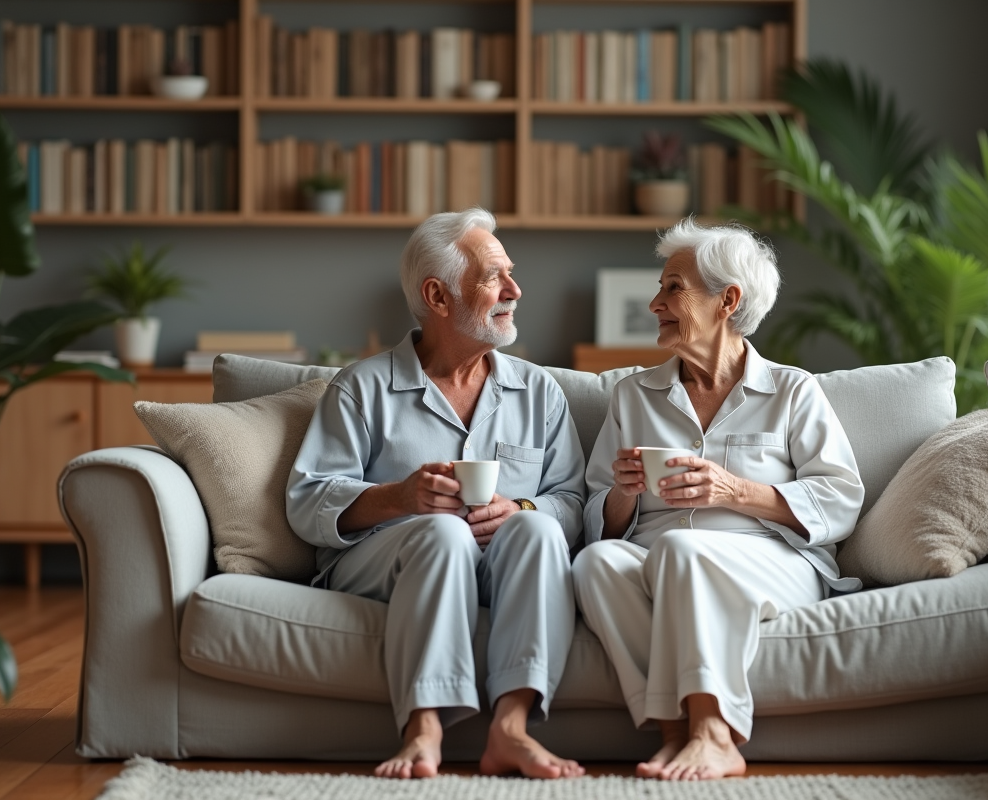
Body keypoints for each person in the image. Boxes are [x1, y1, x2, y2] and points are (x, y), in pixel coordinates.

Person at [287, 208, 587, 780]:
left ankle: (511, 729)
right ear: (438, 296)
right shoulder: (361, 388)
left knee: (538, 526)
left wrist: (520, 508)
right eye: (494, 276)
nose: (515, 290)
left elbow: (573, 501)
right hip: (383, 561)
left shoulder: (539, 392)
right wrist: (399, 498)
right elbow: (307, 501)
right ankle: (422, 729)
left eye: (511, 273)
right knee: (443, 530)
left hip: (500, 561)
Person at [573, 219, 865, 781]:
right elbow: (596, 515)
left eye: (673, 288)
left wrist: (734, 490)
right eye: (660, 288)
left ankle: (715, 733)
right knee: (596, 564)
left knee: (684, 551)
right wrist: (623, 493)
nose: (655, 301)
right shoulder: (633, 394)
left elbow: (841, 497)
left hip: (767, 559)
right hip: (656, 557)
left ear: (728, 300)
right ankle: (675, 731)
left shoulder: (792, 390)